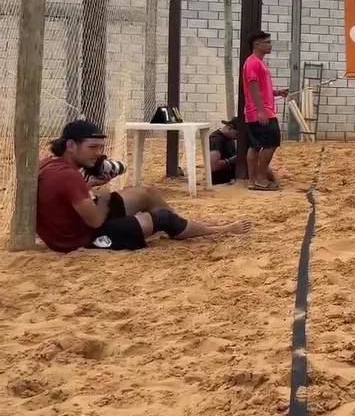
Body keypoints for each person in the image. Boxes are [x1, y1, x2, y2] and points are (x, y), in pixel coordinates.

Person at [36, 120, 250, 253]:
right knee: (163, 218)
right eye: (92, 147)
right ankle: (219, 229)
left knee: (147, 193)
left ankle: (181, 226)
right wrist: (104, 196)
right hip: (84, 238)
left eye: (100, 147)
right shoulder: (68, 176)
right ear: (71, 146)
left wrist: (89, 184)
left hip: (76, 223)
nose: (98, 153)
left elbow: (66, 199)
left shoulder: (49, 164)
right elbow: (95, 221)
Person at [243, 30, 289, 190]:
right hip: (261, 112)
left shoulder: (257, 62)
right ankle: (261, 179)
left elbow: (261, 88)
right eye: (267, 42)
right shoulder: (253, 62)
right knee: (271, 143)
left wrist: (277, 92)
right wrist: (261, 111)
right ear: (257, 45)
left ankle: (253, 181)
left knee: (255, 146)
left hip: (255, 112)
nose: (270, 45)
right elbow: (252, 86)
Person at [208, 119, 238, 186]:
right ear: (230, 128)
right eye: (237, 134)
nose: (238, 137)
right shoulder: (216, 140)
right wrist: (233, 160)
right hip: (221, 182)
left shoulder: (228, 137)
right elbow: (213, 166)